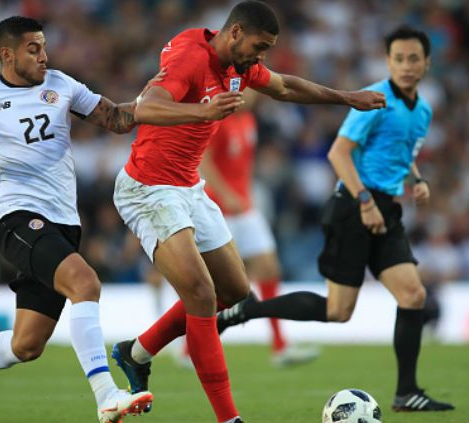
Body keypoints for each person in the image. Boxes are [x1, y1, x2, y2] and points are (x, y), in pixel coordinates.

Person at [108, 2, 385, 422]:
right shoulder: (190, 56)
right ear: (235, 32)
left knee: (235, 292)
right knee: (200, 294)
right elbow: (145, 108)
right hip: (148, 187)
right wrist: (202, 110)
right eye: (260, 46)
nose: (263, 57)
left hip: (188, 188)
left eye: (268, 49)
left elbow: (285, 87)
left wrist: (345, 97)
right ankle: (229, 418)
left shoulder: (239, 65)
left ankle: (137, 351)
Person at [0, 16, 154, 423]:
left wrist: (164, 98)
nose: (44, 56)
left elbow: (116, 119)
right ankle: (106, 394)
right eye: (33, 49)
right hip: (17, 219)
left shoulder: (62, 85)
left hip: (63, 223)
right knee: (86, 282)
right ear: (7, 55)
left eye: (43, 46)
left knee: (27, 345)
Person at [217, 25, 455, 412]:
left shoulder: (423, 110)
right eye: (399, 59)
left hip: (387, 209)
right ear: (388, 61)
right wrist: (364, 200)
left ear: (427, 63)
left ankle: (406, 393)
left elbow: (402, 152)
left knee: (413, 295)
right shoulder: (377, 100)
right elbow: (339, 154)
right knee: (338, 311)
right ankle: (246, 309)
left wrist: (418, 179)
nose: (407, 66)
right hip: (354, 206)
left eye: (414, 59)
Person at [199, 91, 319, 367]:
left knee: (269, 268)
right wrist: (227, 193)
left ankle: (280, 346)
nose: (251, 94)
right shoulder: (219, 120)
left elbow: (241, 164)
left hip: (246, 208)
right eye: (246, 88)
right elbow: (204, 161)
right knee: (213, 285)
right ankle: (191, 348)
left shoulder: (249, 121)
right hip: (220, 210)